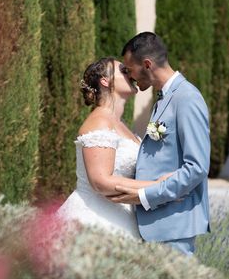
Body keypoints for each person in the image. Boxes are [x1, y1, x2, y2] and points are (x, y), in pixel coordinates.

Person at [109, 32, 210, 255]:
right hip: (157, 226)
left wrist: (145, 195)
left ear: (147, 64)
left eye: (129, 69)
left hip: (173, 228)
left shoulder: (187, 98)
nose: (129, 76)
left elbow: (197, 168)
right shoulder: (166, 97)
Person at [56, 57, 170, 239]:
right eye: (124, 71)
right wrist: (157, 187)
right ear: (105, 81)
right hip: (94, 222)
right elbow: (101, 182)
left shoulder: (120, 124)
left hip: (122, 218)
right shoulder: (100, 121)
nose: (132, 74)